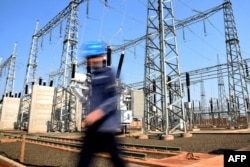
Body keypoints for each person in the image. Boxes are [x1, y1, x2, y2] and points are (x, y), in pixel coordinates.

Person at [77, 41, 126, 167]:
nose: (88, 60)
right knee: (84, 160)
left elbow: (114, 97)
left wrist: (99, 112)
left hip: (106, 127)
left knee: (116, 159)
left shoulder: (109, 74)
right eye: (88, 58)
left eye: (91, 57)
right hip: (94, 128)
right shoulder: (94, 77)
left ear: (99, 57)